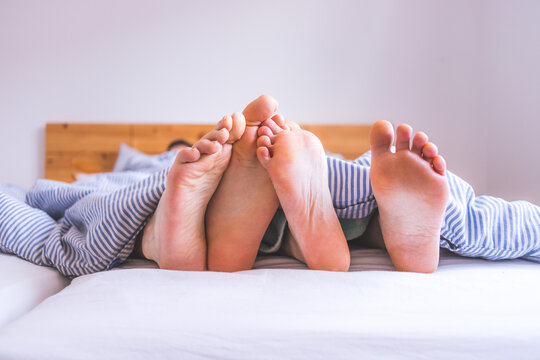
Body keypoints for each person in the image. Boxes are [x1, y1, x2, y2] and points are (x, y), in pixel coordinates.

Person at [0, 95, 538, 276]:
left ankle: (168, 235)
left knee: (100, 206)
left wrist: (37, 196)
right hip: (338, 199)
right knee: (367, 184)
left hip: (156, 193)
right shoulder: (273, 155)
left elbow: (34, 206)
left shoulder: (144, 167)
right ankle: (391, 227)